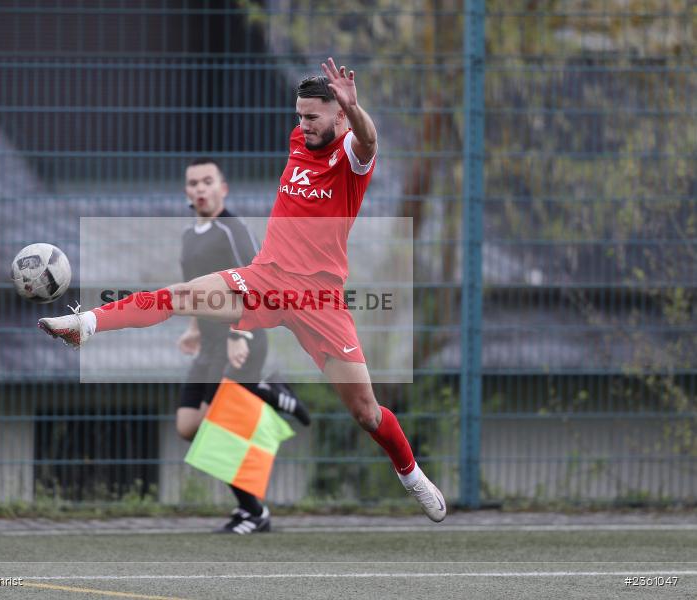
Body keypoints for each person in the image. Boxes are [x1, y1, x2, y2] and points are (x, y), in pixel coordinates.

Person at [39, 58, 447, 522]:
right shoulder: (300, 141)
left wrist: (356, 110)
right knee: (179, 295)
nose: (303, 124)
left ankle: (411, 475)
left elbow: (369, 140)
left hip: (319, 300)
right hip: (265, 279)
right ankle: (85, 323)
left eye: (313, 116)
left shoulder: (351, 155)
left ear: (339, 115)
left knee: (367, 414)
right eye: (299, 115)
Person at [177, 158, 310, 534]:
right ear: (186, 191)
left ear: (224, 188)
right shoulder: (190, 235)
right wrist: (193, 329)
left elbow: (258, 282)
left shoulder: (232, 228)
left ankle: (253, 513)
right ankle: (269, 392)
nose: (200, 189)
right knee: (189, 426)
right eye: (193, 183)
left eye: (207, 181)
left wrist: (242, 333)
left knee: (221, 428)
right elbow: (194, 291)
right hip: (209, 345)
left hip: (243, 341)